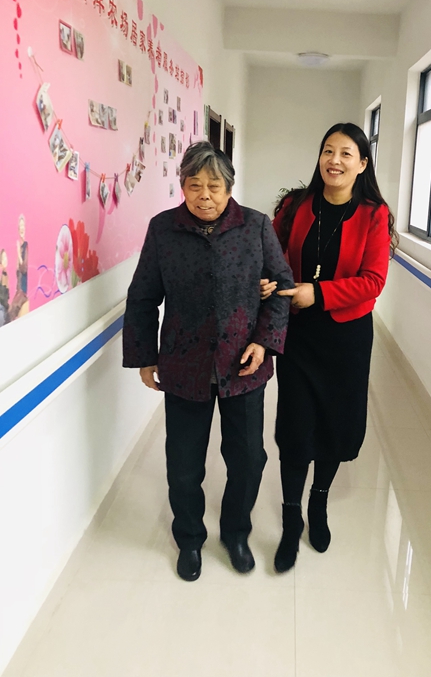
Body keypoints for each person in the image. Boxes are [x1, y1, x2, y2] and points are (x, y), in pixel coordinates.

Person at [122, 142, 293, 582]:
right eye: (194, 185)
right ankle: (189, 539)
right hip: (184, 364)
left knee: (248, 460)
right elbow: (142, 297)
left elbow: (282, 287)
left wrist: (265, 343)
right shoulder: (163, 230)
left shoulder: (255, 226)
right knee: (183, 466)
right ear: (182, 186)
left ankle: (235, 533)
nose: (204, 196)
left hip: (244, 365)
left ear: (229, 188)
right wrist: (144, 356)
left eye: (214, 186)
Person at [266, 121, 398, 573]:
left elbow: (373, 281)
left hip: (346, 339)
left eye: (345, 153)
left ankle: (318, 502)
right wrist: (269, 281)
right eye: (328, 150)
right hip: (299, 335)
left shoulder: (374, 215)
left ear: (362, 164)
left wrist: (317, 293)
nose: (334, 160)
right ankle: (290, 518)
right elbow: (271, 255)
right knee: (295, 426)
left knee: (333, 426)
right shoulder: (295, 205)